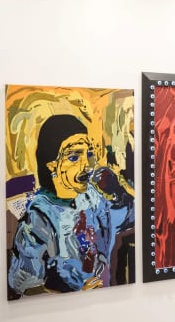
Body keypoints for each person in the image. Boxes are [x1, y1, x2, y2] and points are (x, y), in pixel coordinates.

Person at [8, 114, 134, 297]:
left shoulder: (93, 198)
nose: (87, 166)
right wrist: (75, 295)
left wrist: (118, 190)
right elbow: (24, 286)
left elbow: (131, 216)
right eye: (74, 157)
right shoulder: (40, 217)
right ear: (52, 165)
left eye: (89, 154)